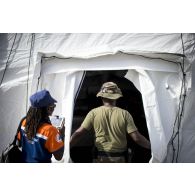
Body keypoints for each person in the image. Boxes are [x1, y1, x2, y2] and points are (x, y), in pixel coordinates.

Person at [70, 82, 150, 163]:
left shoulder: (93, 113)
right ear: (116, 97)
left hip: (100, 158)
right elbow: (137, 138)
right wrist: (152, 147)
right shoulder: (125, 114)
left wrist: (65, 148)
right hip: (119, 158)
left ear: (102, 96)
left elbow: (78, 133)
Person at [17, 89, 65, 163]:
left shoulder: (24, 122)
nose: (54, 108)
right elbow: (59, 157)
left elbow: (19, 143)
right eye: (53, 105)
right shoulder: (51, 131)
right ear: (47, 109)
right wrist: (61, 134)